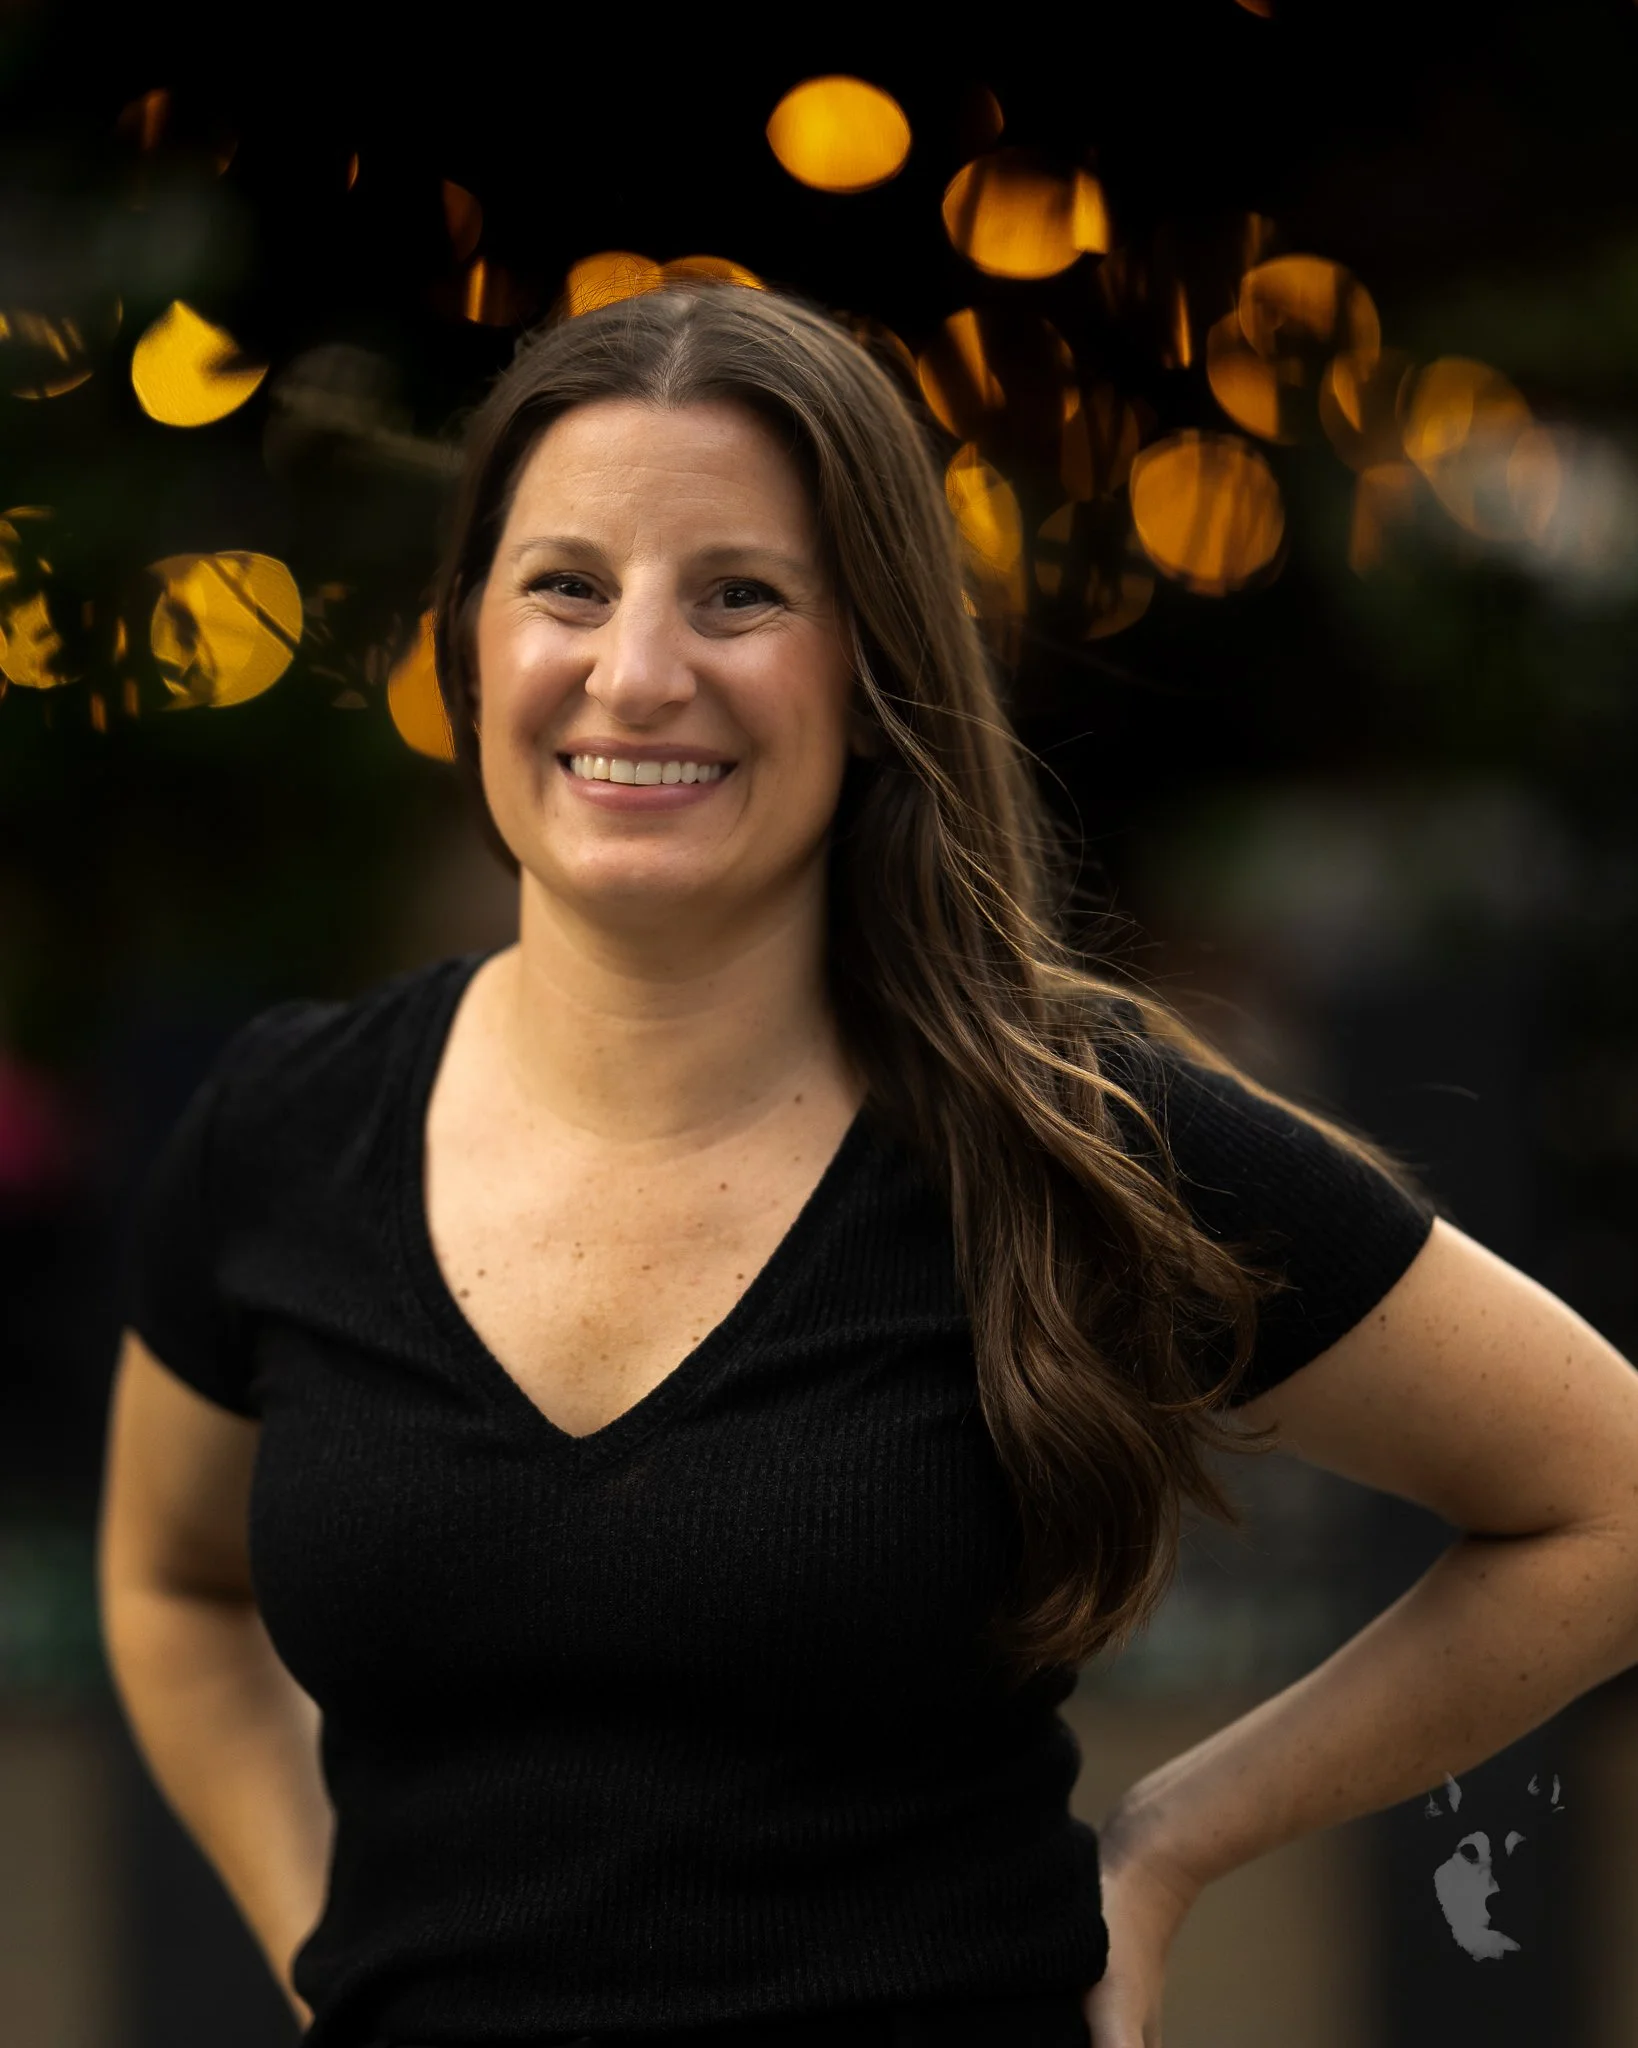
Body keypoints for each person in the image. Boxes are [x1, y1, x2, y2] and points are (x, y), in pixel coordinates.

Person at [97, 282, 1638, 2048]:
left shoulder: (1066, 1129)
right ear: (465, 645)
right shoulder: (285, 1130)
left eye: (740, 595)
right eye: (567, 585)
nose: (637, 671)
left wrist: (1166, 1847)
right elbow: (170, 1583)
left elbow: (1605, 1501)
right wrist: (333, 1952)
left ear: (873, 663)